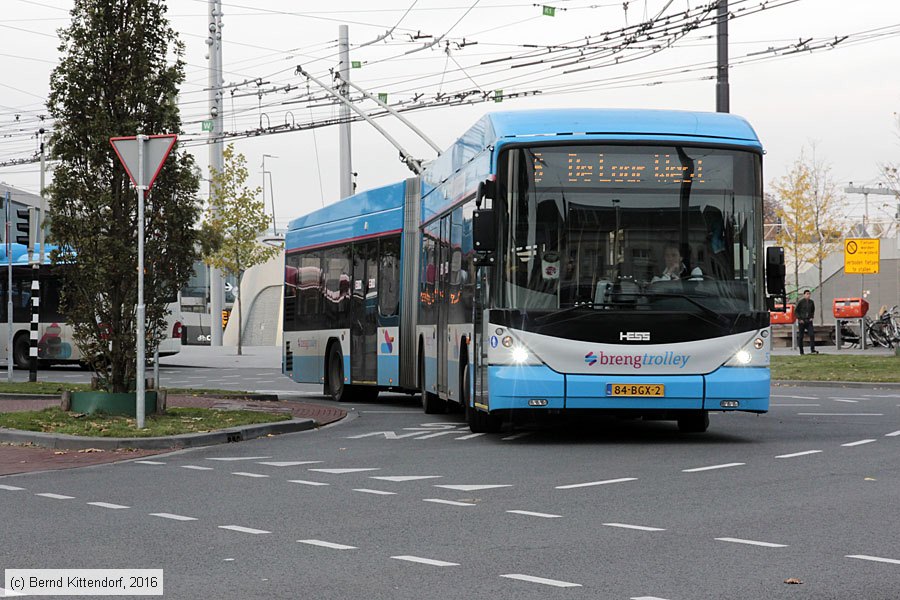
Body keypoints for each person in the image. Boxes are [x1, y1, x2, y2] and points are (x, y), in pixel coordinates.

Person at [795, 289, 818, 354]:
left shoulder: (811, 302)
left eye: (809, 294)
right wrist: (799, 319)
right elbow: (796, 311)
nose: (808, 295)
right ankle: (801, 351)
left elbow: (812, 310)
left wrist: (811, 317)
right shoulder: (801, 302)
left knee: (811, 334)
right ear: (804, 295)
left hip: (808, 320)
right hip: (802, 321)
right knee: (801, 336)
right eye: (807, 294)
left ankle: (812, 349)